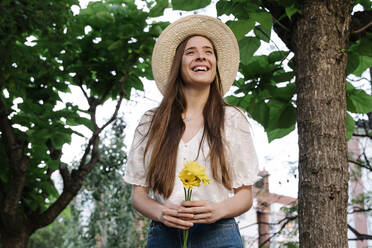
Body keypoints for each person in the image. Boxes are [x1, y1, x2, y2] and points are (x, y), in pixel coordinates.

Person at [124, 15, 259, 248]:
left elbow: (245, 195)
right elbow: (138, 195)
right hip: (164, 235)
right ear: (178, 63)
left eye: (208, 51)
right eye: (191, 52)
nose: (201, 56)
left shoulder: (233, 119)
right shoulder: (151, 122)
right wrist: (162, 213)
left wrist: (218, 210)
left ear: (215, 64)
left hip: (219, 235)